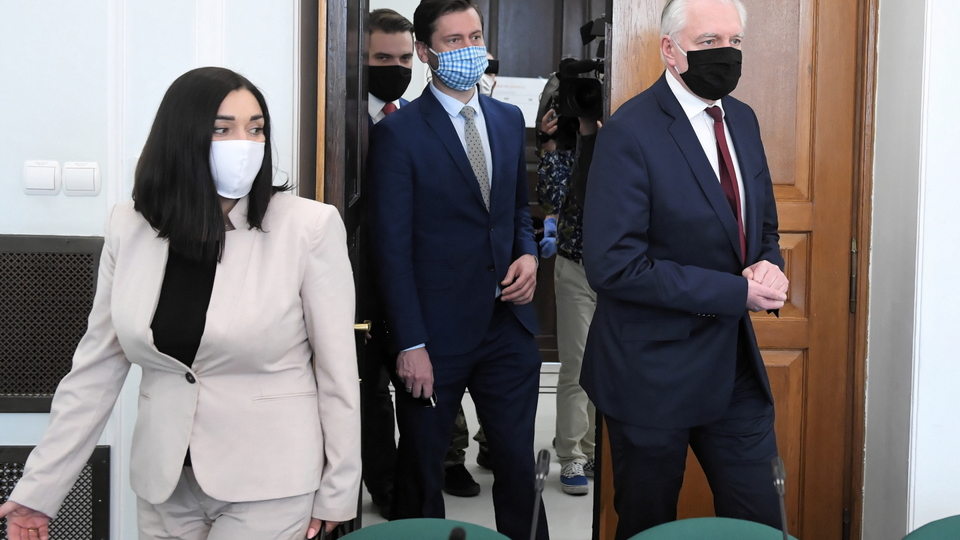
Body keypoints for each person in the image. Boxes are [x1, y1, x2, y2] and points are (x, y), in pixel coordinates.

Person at [0, 67, 360, 540]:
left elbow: (337, 372)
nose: (245, 143)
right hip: (165, 483)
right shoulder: (129, 226)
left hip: (270, 480)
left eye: (255, 129)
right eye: (222, 129)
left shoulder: (308, 226)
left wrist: (339, 488)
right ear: (182, 136)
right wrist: (39, 491)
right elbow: (94, 372)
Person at [580, 0, 790, 538]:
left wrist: (770, 266)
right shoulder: (629, 132)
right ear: (670, 51)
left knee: (761, 521)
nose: (727, 54)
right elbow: (615, 265)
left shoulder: (743, 119)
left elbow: (762, 226)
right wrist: (735, 292)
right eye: (709, 42)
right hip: (650, 373)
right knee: (648, 525)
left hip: (732, 368)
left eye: (734, 42)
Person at [367, 1, 549, 539]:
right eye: (454, 41)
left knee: (518, 469)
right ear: (426, 52)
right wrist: (410, 343)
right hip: (433, 336)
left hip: (507, 328)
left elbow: (516, 212)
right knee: (421, 476)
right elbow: (390, 250)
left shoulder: (508, 119)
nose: (470, 50)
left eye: (475, 37)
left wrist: (528, 254)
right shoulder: (399, 135)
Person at [360, 7, 415, 518]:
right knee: (369, 393)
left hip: (409, 281)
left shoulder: (414, 119)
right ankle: (384, 486)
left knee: (416, 390)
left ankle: (418, 485)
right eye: (382, 58)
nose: (395, 68)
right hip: (356, 281)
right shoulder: (342, 122)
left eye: (403, 59)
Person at [536, 109, 600, 496]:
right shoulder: (567, 149)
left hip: (621, 272)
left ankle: (593, 450)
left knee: (606, 365)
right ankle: (571, 454)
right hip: (576, 265)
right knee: (576, 365)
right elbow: (553, 199)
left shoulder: (627, 142)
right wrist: (553, 145)